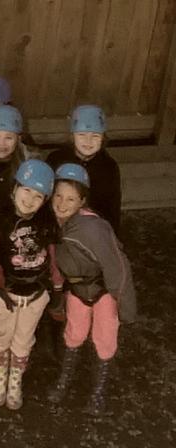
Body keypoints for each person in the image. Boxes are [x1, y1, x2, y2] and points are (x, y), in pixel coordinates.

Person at [47, 164, 137, 416]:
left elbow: (118, 268)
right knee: (73, 335)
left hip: (102, 291)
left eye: (71, 199)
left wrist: (126, 308)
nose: (63, 204)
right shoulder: (54, 223)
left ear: (82, 201)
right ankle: (64, 382)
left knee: (104, 339)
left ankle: (98, 392)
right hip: (76, 290)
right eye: (58, 196)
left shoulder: (93, 228)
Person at [0, 159, 62, 410]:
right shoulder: (0, 222)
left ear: (45, 200)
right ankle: (0, 374)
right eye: (26, 190)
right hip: (6, 293)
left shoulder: (45, 223)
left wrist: (56, 286)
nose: (30, 199)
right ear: (14, 189)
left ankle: (15, 378)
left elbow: (52, 256)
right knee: (2, 334)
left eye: (38, 195)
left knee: (23, 338)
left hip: (35, 293)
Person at [46, 105, 122, 234]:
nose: (88, 141)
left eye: (95, 136)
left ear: (103, 138)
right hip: (55, 224)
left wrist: (111, 236)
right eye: (82, 135)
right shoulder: (56, 159)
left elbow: (112, 208)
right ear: (72, 136)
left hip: (92, 229)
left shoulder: (108, 167)